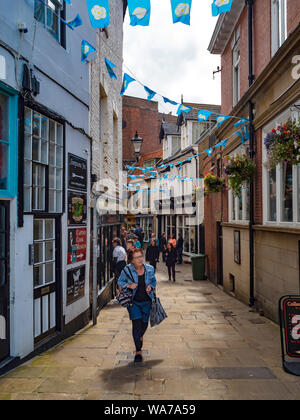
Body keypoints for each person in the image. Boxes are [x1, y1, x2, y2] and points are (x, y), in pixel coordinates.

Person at [118, 248, 157, 363]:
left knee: (144, 324)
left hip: (147, 302)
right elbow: (120, 282)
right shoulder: (127, 270)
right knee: (136, 323)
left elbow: (153, 282)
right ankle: (138, 351)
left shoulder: (150, 269)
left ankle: (139, 336)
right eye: (137, 257)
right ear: (132, 260)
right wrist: (129, 285)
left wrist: (151, 287)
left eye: (141, 256)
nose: (140, 259)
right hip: (133, 302)